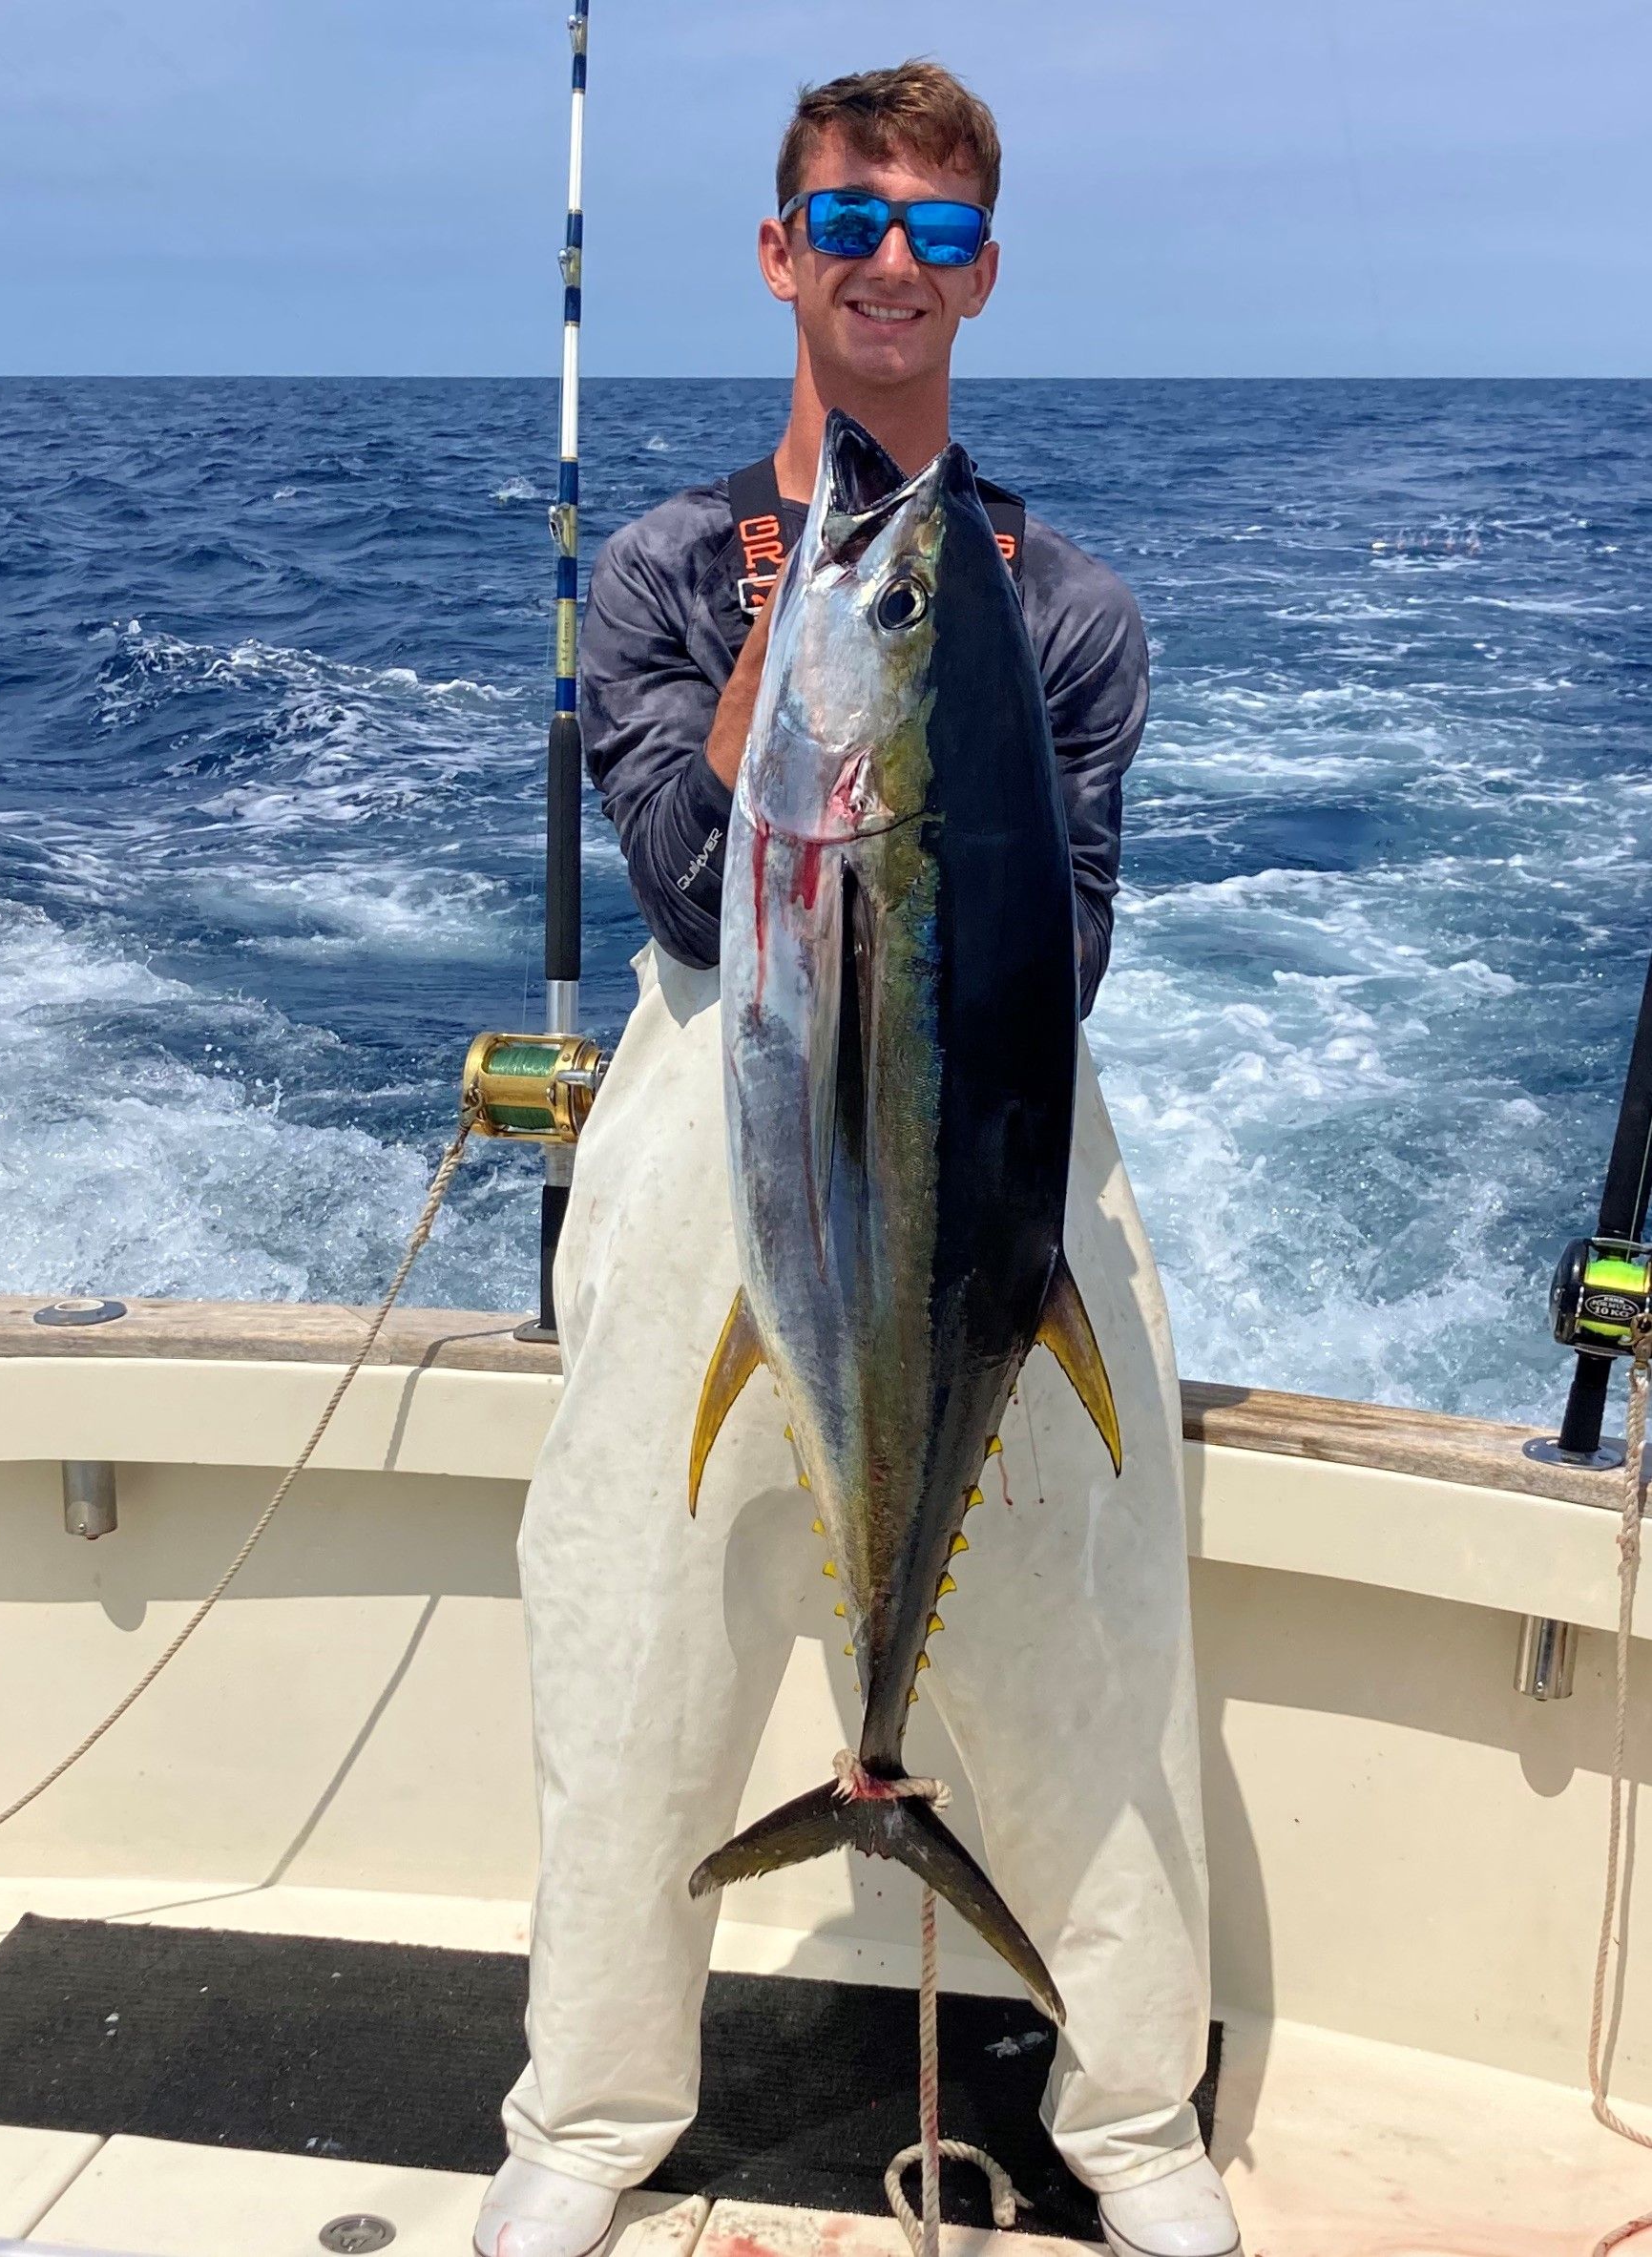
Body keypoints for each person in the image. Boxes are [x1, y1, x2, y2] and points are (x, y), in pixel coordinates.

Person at [477, 62, 1242, 2257]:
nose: (882, 262)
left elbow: (1054, 959)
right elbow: (690, 896)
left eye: (929, 232)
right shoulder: (651, 575)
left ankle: (1132, 2118)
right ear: (777, 247)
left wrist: (886, 626)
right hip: (718, 1126)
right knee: (635, 1641)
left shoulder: (1065, 606)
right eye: (844, 218)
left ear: (981, 272)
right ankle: (588, 2110)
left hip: (982, 1146)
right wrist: (809, 606)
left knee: (1088, 1659)